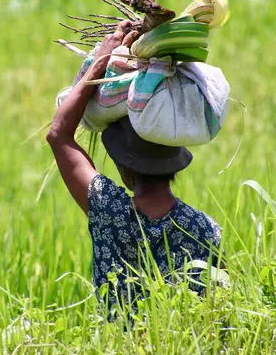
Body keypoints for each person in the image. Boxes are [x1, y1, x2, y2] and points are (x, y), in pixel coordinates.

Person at [46, 21, 222, 311]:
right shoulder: (205, 230)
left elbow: (58, 134)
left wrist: (99, 62)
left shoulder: (108, 211)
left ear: (123, 165)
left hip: (119, 354)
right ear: (175, 161)